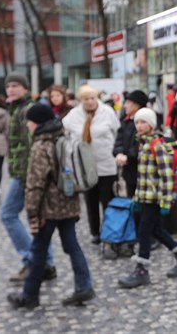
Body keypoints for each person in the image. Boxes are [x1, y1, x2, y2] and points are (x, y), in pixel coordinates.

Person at [7, 104, 95, 309]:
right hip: (69, 203)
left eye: (29, 121)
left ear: (37, 122)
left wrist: (32, 212)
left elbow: (35, 184)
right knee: (72, 245)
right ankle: (84, 286)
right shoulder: (63, 138)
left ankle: (29, 296)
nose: (28, 125)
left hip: (49, 208)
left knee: (38, 250)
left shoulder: (41, 145)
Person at [118, 108, 177, 289]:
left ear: (151, 125)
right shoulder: (143, 145)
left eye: (143, 122)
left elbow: (166, 177)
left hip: (155, 199)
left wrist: (166, 202)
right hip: (145, 197)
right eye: (137, 122)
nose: (139, 125)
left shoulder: (157, 146)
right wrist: (136, 198)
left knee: (144, 231)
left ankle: (142, 270)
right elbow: (142, 178)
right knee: (157, 230)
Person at [0, 71, 57, 282]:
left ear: (25, 88)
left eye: (15, 85)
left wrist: (31, 176)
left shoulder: (26, 111)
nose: (11, 89)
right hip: (22, 172)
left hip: (26, 174)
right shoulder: (15, 110)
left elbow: (35, 146)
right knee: (38, 218)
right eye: (8, 86)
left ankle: (32, 260)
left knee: (7, 215)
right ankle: (46, 263)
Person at [63, 84, 120, 244]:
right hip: (86, 165)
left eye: (93, 98)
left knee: (108, 199)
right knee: (91, 200)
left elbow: (116, 131)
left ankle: (109, 230)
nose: (90, 102)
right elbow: (66, 135)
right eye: (86, 99)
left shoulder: (107, 112)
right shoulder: (73, 115)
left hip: (107, 163)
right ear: (81, 100)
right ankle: (95, 231)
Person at [114, 90, 149, 198]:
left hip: (142, 172)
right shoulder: (125, 121)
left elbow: (140, 145)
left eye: (128, 102)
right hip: (128, 171)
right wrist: (118, 153)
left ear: (137, 104)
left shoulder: (147, 122)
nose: (125, 106)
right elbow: (118, 141)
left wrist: (127, 157)